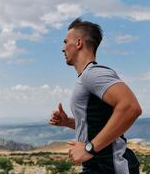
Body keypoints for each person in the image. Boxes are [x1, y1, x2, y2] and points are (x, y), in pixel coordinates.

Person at [49, 18, 142, 174]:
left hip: (109, 168)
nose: (63, 48)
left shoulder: (94, 74)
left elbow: (131, 107)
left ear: (78, 43)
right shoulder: (88, 77)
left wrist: (88, 149)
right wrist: (68, 122)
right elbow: (97, 123)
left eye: (66, 42)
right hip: (97, 167)